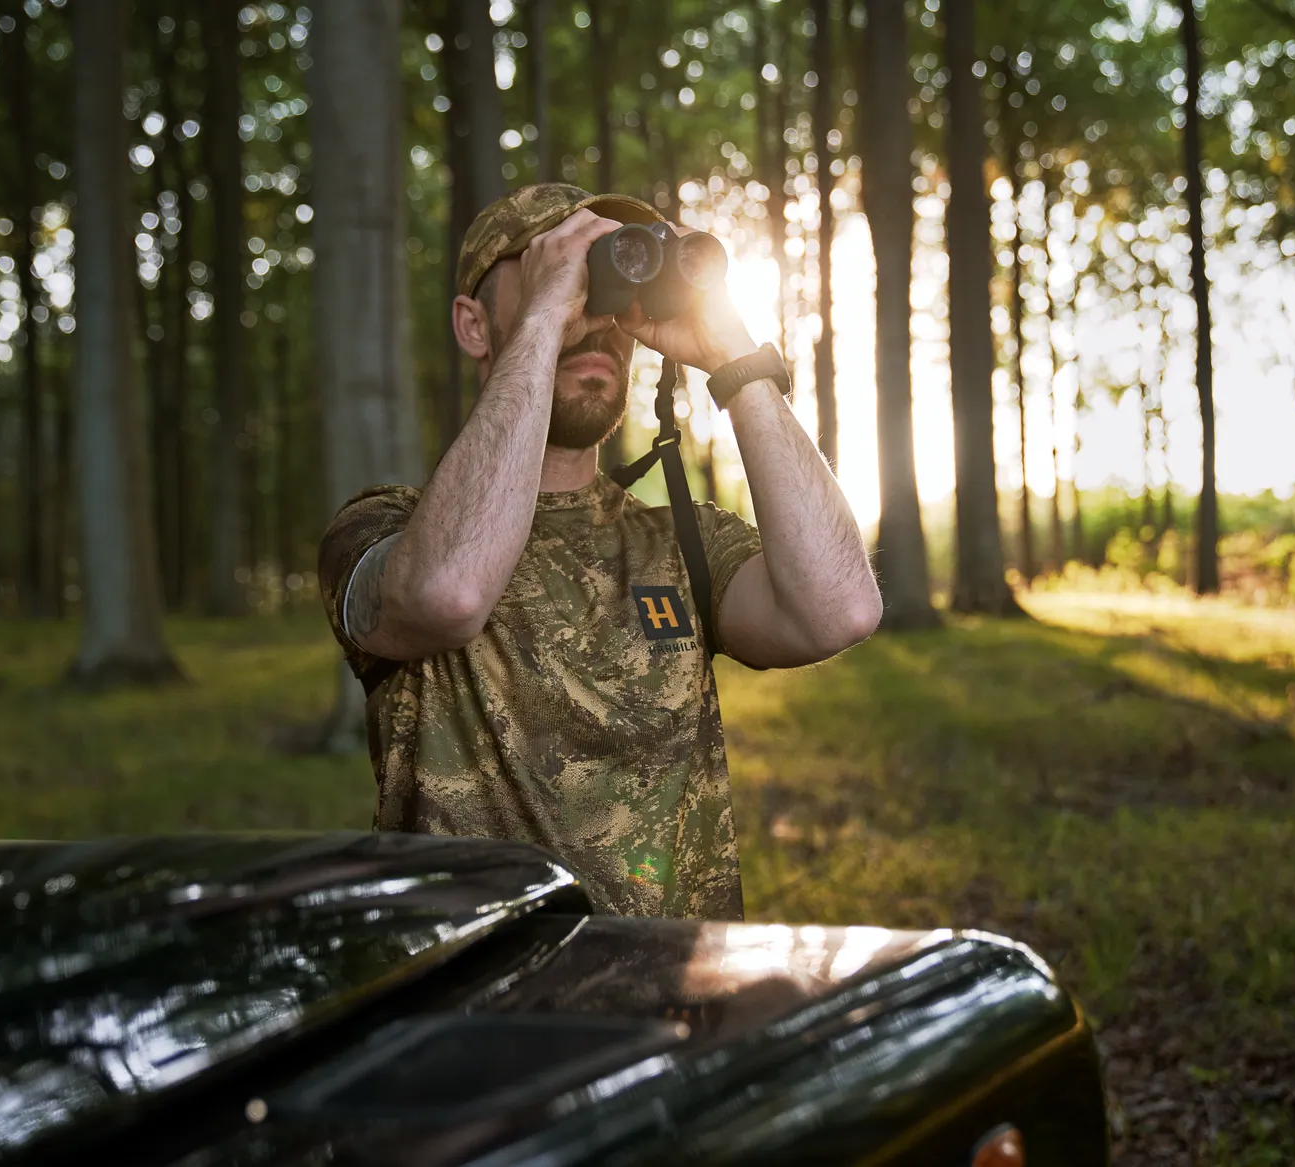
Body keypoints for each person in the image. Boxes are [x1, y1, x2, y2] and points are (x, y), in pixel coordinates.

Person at [318, 183, 881, 919]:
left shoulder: (680, 540)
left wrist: (731, 353)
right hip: (479, 1007)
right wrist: (548, 317)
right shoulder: (385, 529)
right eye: (562, 265)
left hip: (676, 1010)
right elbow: (446, 594)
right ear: (473, 324)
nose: (596, 316)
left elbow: (839, 609)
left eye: (609, 274)